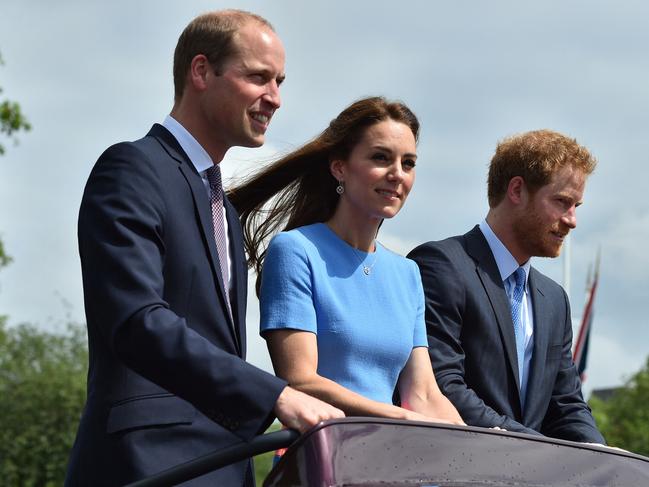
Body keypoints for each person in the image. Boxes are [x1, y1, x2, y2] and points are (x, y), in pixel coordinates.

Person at [65, 10, 342, 487]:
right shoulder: (132, 169)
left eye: (279, 81)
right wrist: (275, 395)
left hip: (225, 466)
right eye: (258, 77)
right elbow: (137, 321)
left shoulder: (224, 210)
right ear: (200, 72)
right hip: (149, 463)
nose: (275, 98)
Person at [229, 97, 464, 424]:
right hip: (329, 456)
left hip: (395, 459)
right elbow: (301, 380)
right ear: (339, 167)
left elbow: (423, 394)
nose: (397, 174)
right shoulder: (296, 250)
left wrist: (476, 441)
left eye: (408, 163)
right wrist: (400, 418)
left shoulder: (407, 273)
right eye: (381, 158)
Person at [408, 129, 605, 443]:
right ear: (517, 190)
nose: (572, 220)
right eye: (562, 202)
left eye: (576, 207)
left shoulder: (555, 300)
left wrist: (602, 459)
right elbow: (441, 385)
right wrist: (533, 447)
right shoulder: (441, 266)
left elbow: (567, 404)